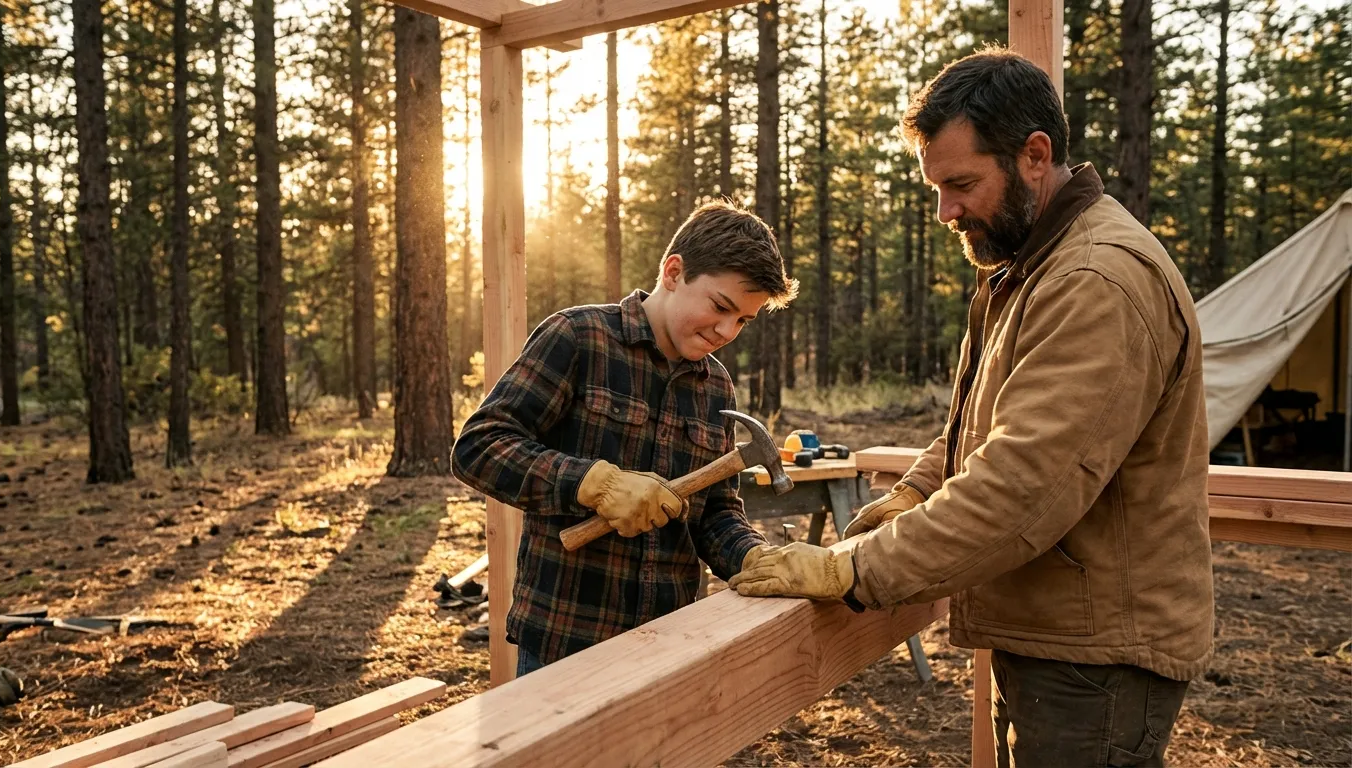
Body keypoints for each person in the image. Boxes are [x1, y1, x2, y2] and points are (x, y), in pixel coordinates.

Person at [728, 47, 1213, 768]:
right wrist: (915, 493)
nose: (945, 211)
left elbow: (1024, 485)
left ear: (1035, 156)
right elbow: (979, 431)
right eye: (937, 187)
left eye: (960, 184)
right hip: (1060, 634)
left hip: (1098, 661)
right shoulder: (1032, 267)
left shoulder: (1095, 281)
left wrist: (854, 570)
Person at [452, 200, 799, 677]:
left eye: (743, 320)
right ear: (674, 272)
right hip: (567, 641)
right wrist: (592, 483)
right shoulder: (579, 338)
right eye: (721, 307)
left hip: (669, 640)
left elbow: (715, 512)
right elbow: (480, 447)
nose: (726, 331)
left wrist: (753, 557)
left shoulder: (714, 385)